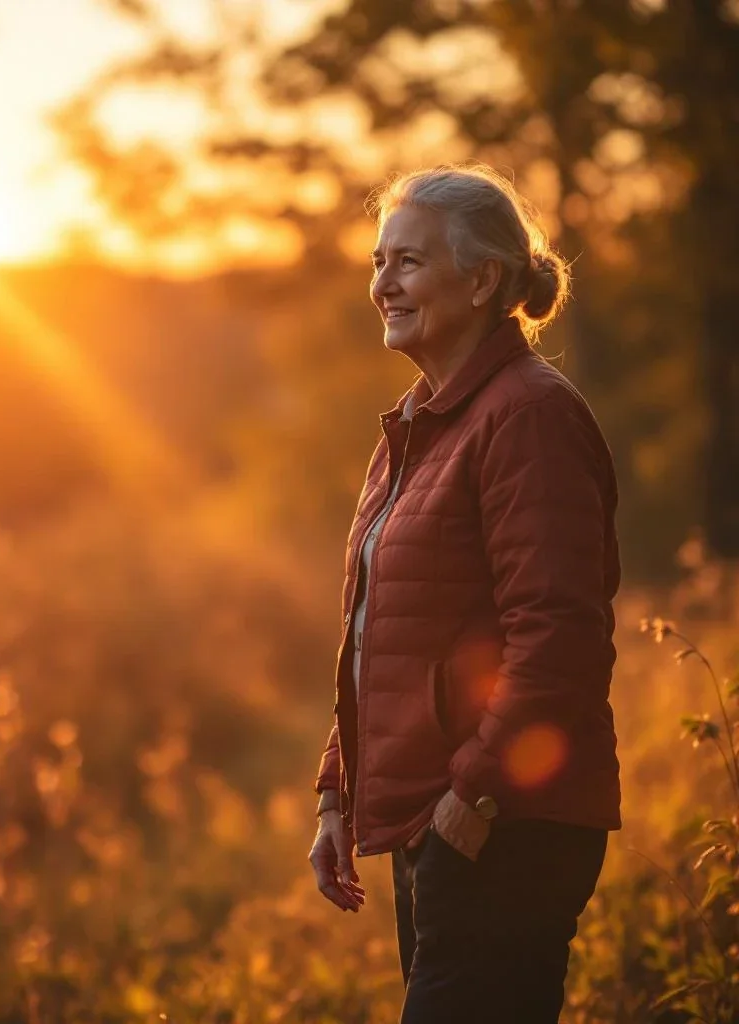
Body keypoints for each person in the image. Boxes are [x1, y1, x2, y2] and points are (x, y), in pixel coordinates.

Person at [307, 163, 621, 1022]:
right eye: (379, 262)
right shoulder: (416, 426)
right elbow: (379, 631)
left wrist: (472, 797)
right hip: (436, 823)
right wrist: (339, 791)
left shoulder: (528, 415)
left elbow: (559, 636)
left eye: (407, 262)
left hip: (505, 826)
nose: (382, 285)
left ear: (482, 280)